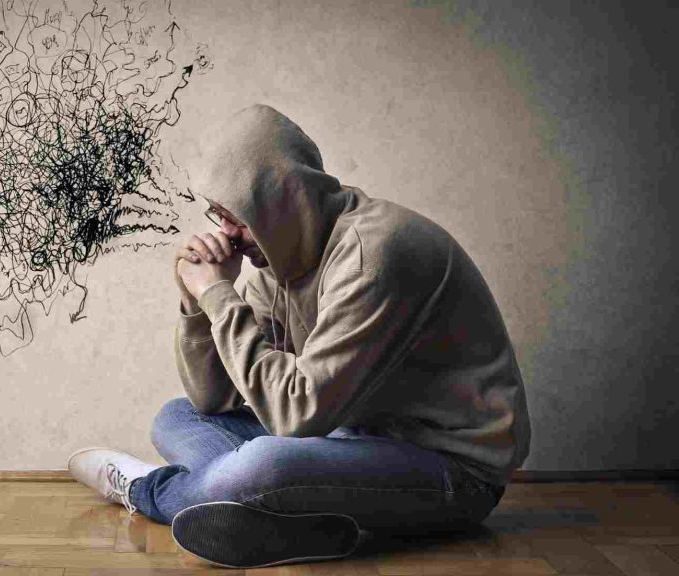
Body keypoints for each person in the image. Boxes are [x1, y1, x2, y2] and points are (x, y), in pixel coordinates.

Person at [68, 104, 531, 569]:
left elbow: (296, 415)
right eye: (218, 214)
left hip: (453, 472)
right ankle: (291, 521)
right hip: (348, 440)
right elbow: (215, 400)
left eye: (239, 217)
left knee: (263, 465)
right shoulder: (278, 260)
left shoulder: (374, 254)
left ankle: (148, 489)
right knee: (177, 416)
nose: (226, 234)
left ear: (281, 201)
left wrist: (218, 295)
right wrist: (195, 306)